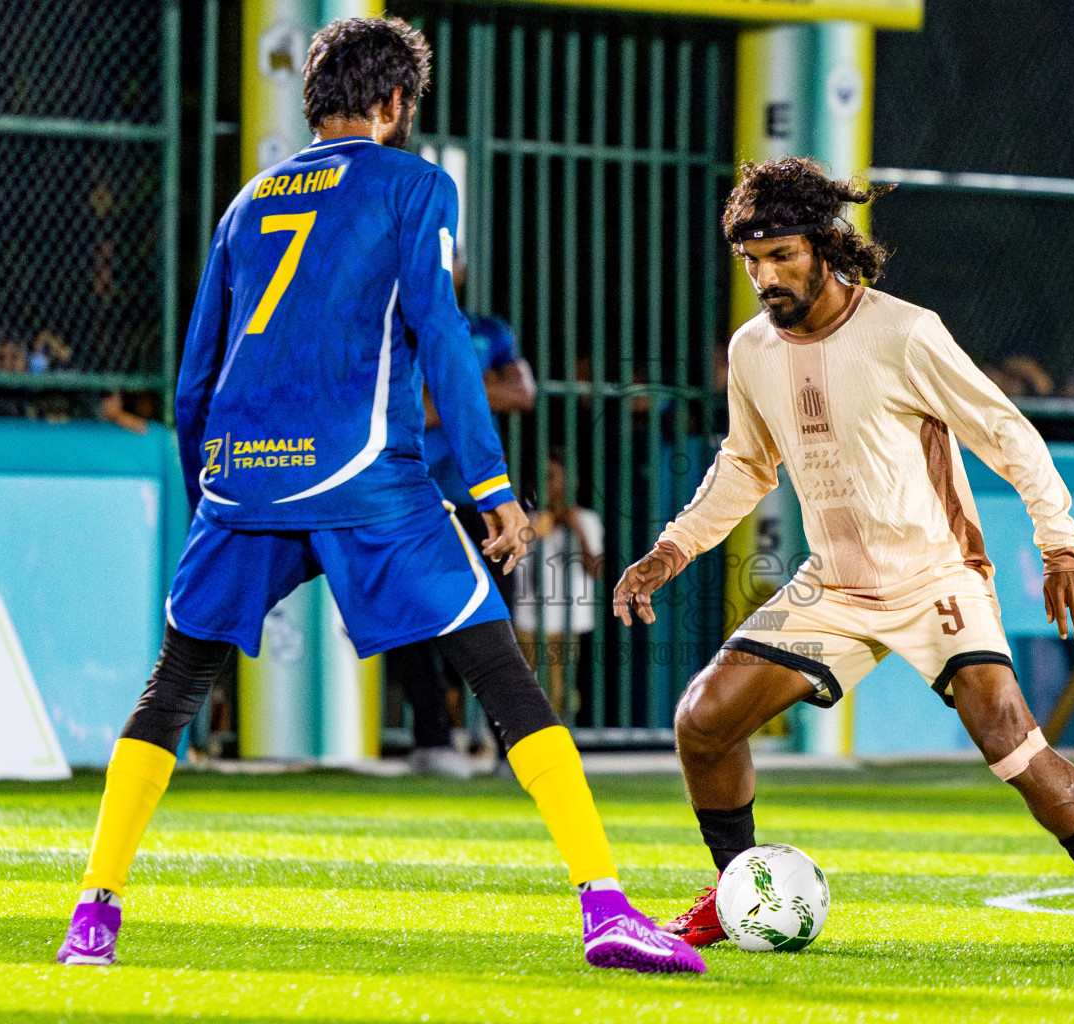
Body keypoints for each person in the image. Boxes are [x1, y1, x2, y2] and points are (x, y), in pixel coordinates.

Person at [55, 16, 702, 976]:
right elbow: (441, 336)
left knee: (174, 689)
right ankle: (605, 907)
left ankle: (93, 918)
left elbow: (195, 374)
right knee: (500, 670)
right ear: (397, 104)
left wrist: (215, 490)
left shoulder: (247, 202)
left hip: (242, 481)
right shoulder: (416, 185)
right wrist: (490, 486)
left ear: (317, 99)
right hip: (370, 483)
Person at [613, 157, 1074, 958]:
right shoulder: (752, 350)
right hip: (834, 586)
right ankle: (739, 891)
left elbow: (1007, 436)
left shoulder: (905, 332)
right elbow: (745, 463)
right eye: (750, 261)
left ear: (823, 245)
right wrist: (671, 548)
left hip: (935, 575)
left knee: (1007, 735)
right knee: (704, 720)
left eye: (781, 256)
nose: (764, 276)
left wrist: (1061, 544)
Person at [387, 256, 536, 778]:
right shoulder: (387, 326)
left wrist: (445, 398)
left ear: (463, 268)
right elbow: (391, 411)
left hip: (476, 500)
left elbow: (524, 392)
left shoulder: (487, 328)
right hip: (407, 498)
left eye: (448, 256)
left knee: (496, 622)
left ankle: (513, 749)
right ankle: (433, 740)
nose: (440, 264)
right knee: (408, 623)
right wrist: (470, 396)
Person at [514, 452, 605, 715]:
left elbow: (596, 570)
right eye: (541, 477)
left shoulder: (585, 519)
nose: (547, 483)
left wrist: (576, 528)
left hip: (567, 622)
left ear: (569, 481)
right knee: (532, 691)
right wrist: (533, 532)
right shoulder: (523, 519)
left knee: (561, 694)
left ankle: (556, 743)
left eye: (553, 476)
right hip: (527, 619)